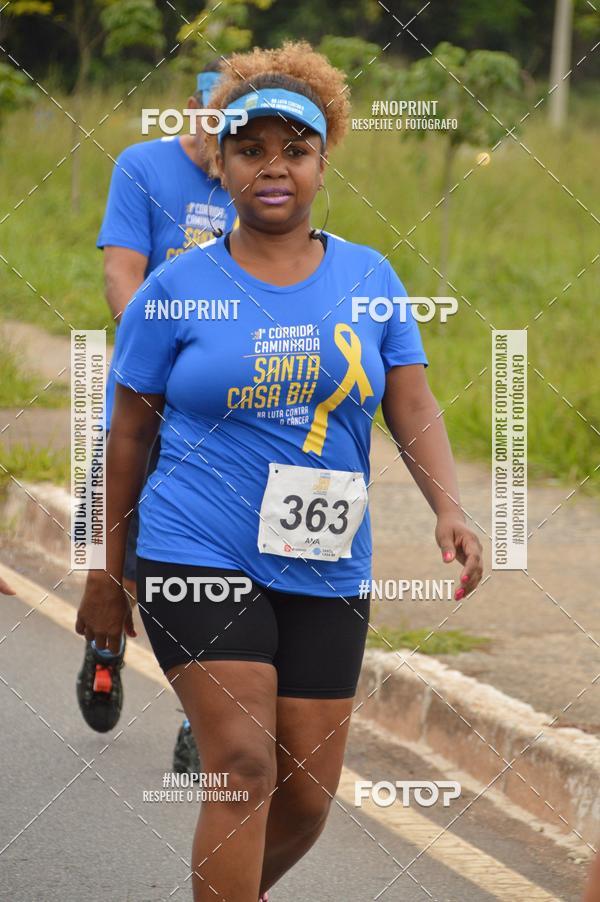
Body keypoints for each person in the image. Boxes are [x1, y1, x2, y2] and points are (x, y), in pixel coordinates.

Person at [75, 40, 483, 902]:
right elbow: (127, 436)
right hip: (196, 549)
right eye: (250, 148)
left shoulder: (371, 276)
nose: (273, 167)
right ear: (219, 165)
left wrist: (448, 506)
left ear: (322, 166)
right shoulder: (175, 289)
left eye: (294, 150)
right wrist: (108, 575)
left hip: (326, 560)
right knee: (242, 765)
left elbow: (411, 402)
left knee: (305, 798)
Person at [76, 60, 236, 777]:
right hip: (148, 386)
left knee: (213, 555)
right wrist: (160, 349)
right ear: (190, 108)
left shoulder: (254, 179)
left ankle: (199, 715)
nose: (218, 129)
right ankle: (105, 643)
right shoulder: (141, 166)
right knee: (120, 529)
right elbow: (122, 273)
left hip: (222, 402)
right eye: (210, 112)